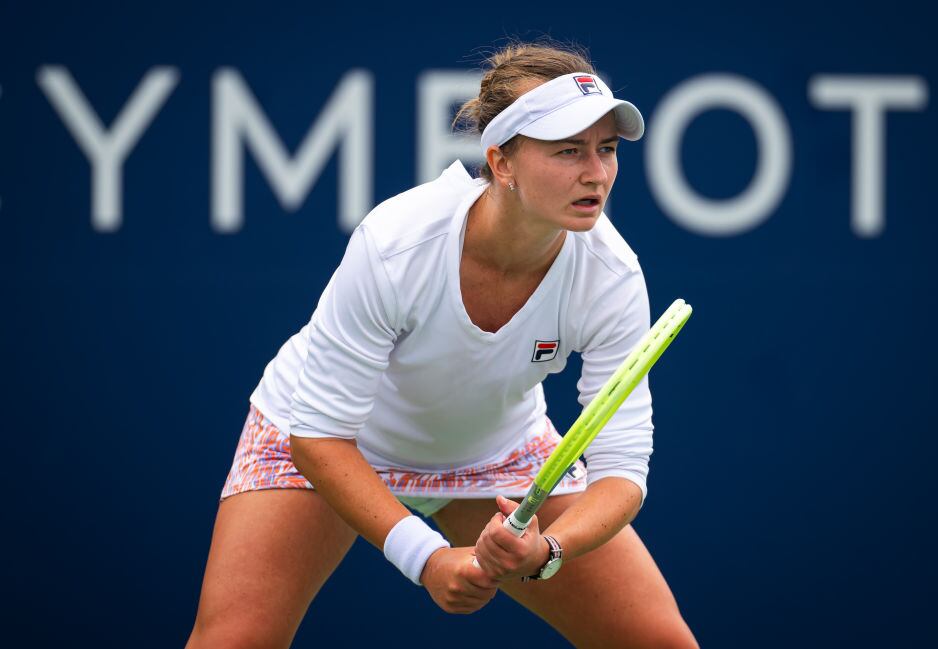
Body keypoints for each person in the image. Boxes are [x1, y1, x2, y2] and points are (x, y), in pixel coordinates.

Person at [186, 41, 699, 649]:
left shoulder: (611, 274)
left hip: (496, 454)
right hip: (327, 439)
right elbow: (318, 434)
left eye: (607, 149)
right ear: (501, 163)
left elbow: (621, 469)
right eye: (568, 151)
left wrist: (550, 548)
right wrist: (427, 558)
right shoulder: (396, 244)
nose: (597, 173)